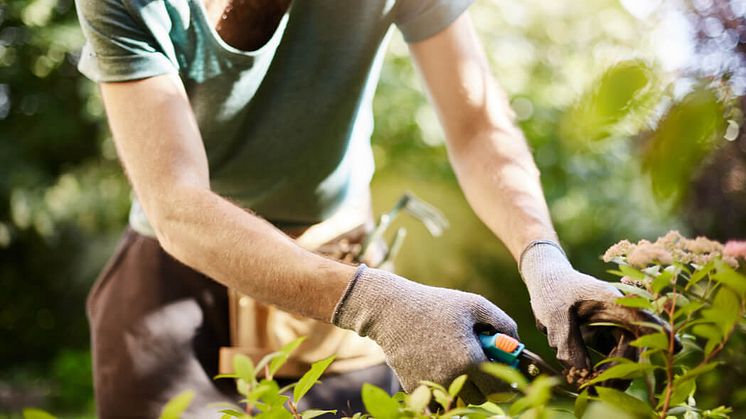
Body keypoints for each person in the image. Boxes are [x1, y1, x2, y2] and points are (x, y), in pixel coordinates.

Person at [75, 0, 650, 417]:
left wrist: (542, 258)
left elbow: (476, 125)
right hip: (174, 290)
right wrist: (374, 302)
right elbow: (176, 204)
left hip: (338, 262)